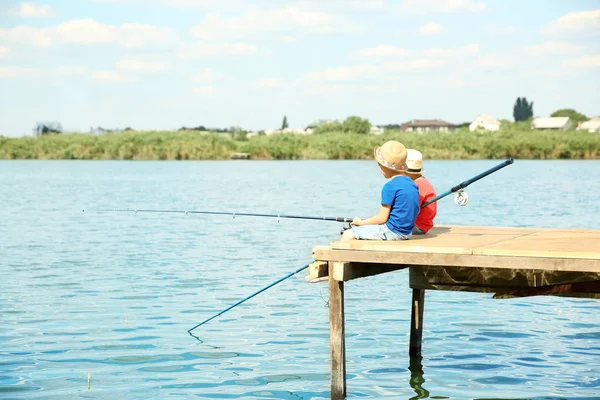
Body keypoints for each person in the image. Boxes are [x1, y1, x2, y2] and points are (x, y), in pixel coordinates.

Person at [342, 140, 419, 241]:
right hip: (407, 233)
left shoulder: (390, 186)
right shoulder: (412, 183)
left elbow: (382, 218)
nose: (379, 169)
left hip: (393, 232)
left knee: (348, 234)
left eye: (380, 165)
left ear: (386, 167)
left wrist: (361, 223)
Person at [405, 149, 437, 234]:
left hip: (418, 226)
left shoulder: (418, 186)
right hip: (421, 225)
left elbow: (410, 209)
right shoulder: (421, 182)